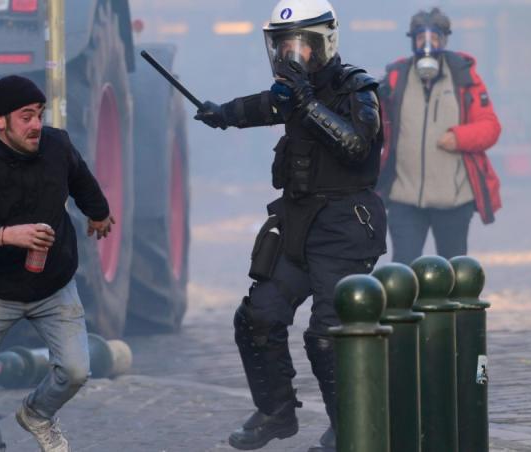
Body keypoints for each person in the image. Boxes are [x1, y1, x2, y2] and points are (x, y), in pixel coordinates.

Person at [193, 0, 386, 450]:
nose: (291, 55)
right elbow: (266, 106)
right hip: (298, 222)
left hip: (344, 227)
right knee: (257, 317)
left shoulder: (358, 89)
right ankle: (275, 412)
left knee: (328, 336)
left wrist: (308, 102)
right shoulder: (293, 91)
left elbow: (357, 145)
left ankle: (350, 430)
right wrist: (223, 113)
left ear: (325, 42)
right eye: (283, 46)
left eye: (301, 45)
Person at [0, 75, 114, 452]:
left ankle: (36, 413)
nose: (36, 125)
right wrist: (5, 235)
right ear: (1, 121)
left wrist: (98, 212)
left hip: (53, 285)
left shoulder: (57, 146)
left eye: (39, 115)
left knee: (76, 371)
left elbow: (80, 178)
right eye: (26, 117)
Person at [377, 8, 502, 265]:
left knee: (454, 271)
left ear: (444, 40)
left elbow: (490, 127)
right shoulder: (396, 77)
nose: (427, 44)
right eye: (420, 38)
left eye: (434, 38)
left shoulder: (463, 76)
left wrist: (459, 137)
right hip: (404, 198)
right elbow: (377, 122)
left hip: (454, 201)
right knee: (403, 269)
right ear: (412, 40)